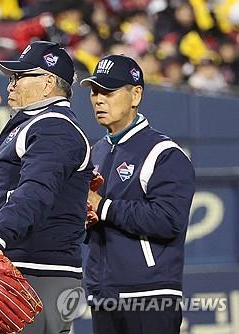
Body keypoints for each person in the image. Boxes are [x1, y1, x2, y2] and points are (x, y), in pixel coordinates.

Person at [0, 40, 93, 333]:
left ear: (48, 83)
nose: (10, 85)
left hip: (39, 271)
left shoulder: (55, 126)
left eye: (20, 76)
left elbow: (36, 190)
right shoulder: (31, 125)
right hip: (23, 267)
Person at [80, 54, 195, 334]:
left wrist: (103, 207)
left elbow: (169, 220)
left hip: (149, 294)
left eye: (108, 91)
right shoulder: (96, 151)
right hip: (103, 293)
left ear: (136, 94)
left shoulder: (164, 152)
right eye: (94, 92)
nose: (98, 99)